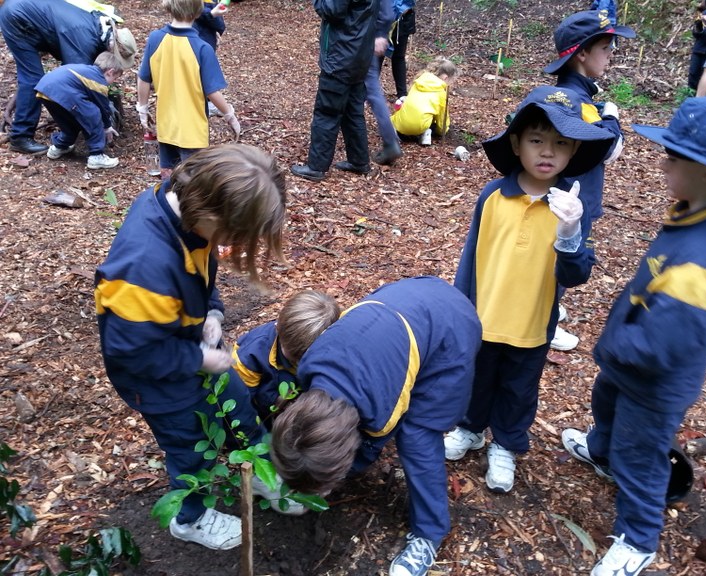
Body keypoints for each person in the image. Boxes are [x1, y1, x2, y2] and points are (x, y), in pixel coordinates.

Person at [561, 96, 706, 576]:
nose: (662, 161)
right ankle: (601, 452)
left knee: (642, 456)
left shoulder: (703, 256)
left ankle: (638, 537)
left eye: (674, 157)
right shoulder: (697, 210)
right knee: (607, 409)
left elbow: (666, 343)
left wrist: (613, 345)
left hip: (652, 382)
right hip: (628, 364)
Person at [95, 144, 293, 550]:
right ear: (211, 214)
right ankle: (191, 517)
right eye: (232, 237)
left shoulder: (184, 213)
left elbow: (203, 274)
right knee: (190, 447)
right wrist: (198, 357)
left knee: (237, 403)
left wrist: (213, 313)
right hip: (156, 379)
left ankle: (261, 474)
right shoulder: (143, 266)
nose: (231, 247)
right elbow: (129, 350)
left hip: (187, 349)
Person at [446, 86, 614, 494]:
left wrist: (571, 229)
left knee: (519, 388)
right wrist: (460, 308)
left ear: (574, 151)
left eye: (561, 143)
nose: (548, 152)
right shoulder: (492, 196)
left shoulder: (570, 208)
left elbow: (575, 275)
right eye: (537, 140)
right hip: (484, 315)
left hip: (533, 322)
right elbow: (472, 256)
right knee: (478, 378)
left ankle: (505, 443)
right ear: (517, 143)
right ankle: (471, 427)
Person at [270, 276, 482, 576]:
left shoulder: (382, 414)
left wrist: (325, 480)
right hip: (407, 298)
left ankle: (430, 533)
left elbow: (370, 446)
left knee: (417, 438)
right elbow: (310, 432)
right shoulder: (311, 366)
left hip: (453, 328)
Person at [544, 9, 636, 351]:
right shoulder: (580, 104)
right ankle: (545, 319)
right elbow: (609, 149)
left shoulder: (569, 96)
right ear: (582, 53)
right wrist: (611, 116)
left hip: (567, 198)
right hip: (572, 201)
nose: (611, 55)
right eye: (606, 47)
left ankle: (549, 305)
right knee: (564, 254)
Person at [0, 0, 136, 155]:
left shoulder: (99, 27)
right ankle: (20, 137)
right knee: (33, 79)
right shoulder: (84, 39)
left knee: (33, 78)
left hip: (25, 13)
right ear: (112, 46)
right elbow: (75, 82)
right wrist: (94, 120)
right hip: (17, 17)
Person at [136, 0, 240, 179]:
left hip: (166, 125)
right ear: (198, 12)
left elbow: (144, 78)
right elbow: (212, 92)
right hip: (192, 130)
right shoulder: (202, 48)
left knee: (169, 176)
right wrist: (230, 115)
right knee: (193, 181)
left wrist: (143, 109)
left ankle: (166, 204)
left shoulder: (155, 38)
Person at [290, 0, 380, 182]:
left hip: (341, 55)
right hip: (359, 53)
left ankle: (316, 167)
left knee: (327, 112)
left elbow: (332, 10)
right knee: (352, 111)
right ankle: (359, 161)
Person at [228, 290, 340, 427]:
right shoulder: (251, 355)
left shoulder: (332, 350)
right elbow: (240, 403)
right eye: (294, 358)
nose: (298, 362)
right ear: (278, 328)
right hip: (263, 408)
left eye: (303, 358)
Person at [35, 51, 127, 170]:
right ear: (110, 72)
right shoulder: (98, 80)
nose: (113, 81)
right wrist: (107, 126)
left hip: (45, 90)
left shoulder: (86, 71)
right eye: (115, 78)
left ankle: (59, 147)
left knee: (71, 123)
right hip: (62, 91)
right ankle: (96, 155)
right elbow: (103, 107)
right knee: (93, 113)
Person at [365, 0, 402, 166]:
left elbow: (387, 13)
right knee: (366, 89)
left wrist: (379, 34)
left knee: (370, 89)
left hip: (363, 41)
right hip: (362, 39)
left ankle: (389, 142)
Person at [390, 57, 457, 146]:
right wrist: (442, 131)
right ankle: (426, 133)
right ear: (445, 78)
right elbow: (442, 121)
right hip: (419, 128)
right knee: (431, 117)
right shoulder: (441, 93)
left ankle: (394, 131)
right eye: (451, 81)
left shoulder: (419, 81)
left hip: (400, 127)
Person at [193, 0, 228, 116]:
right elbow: (194, 9)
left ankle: (206, 101)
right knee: (201, 69)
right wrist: (212, 15)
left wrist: (216, 29)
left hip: (207, 30)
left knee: (204, 67)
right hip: (199, 34)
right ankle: (205, 103)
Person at [388, 0, 416, 100]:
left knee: (399, 57)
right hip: (383, 17)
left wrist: (404, 8)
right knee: (378, 56)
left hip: (403, 18)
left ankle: (402, 94)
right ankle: (369, 92)